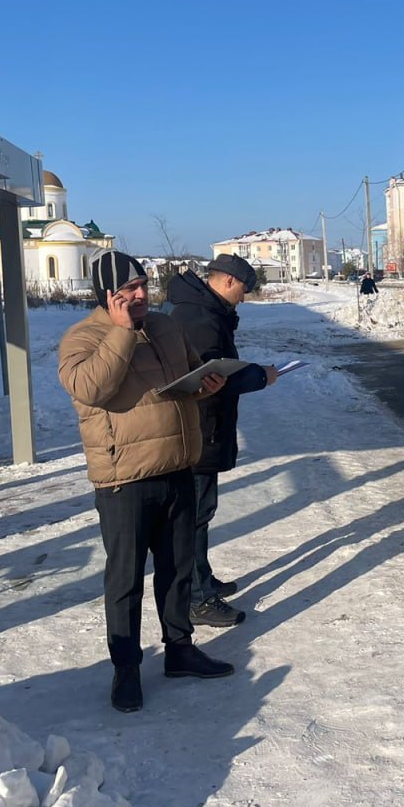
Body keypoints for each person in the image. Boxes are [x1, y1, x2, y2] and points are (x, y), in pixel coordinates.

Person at [58, 251, 235, 714]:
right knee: (126, 579)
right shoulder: (82, 339)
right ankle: (127, 670)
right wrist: (121, 331)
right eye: (128, 290)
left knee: (177, 571)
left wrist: (205, 385)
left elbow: (185, 378)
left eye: (142, 286)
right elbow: (91, 389)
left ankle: (179, 649)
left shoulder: (165, 327)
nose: (140, 296)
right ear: (107, 295)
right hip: (124, 479)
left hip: (176, 465)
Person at [166, 254, 277, 628]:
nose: (244, 298)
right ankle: (197, 598)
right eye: (244, 290)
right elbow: (211, 377)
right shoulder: (199, 318)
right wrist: (259, 376)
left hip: (205, 428)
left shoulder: (203, 311)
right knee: (194, 517)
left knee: (202, 513)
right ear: (229, 281)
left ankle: (202, 578)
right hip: (199, 430)